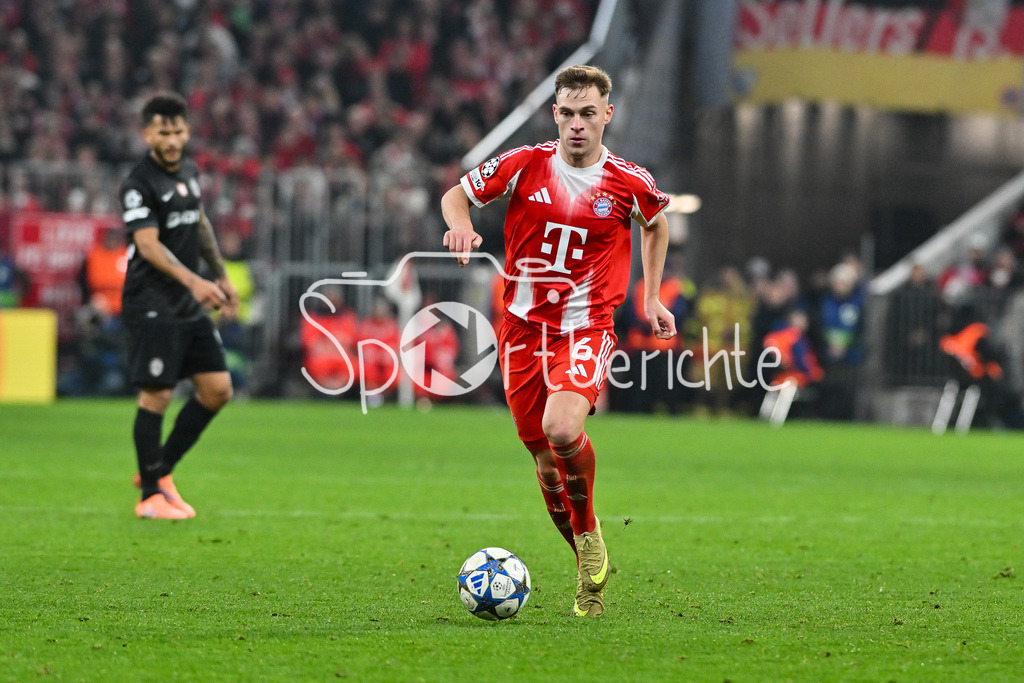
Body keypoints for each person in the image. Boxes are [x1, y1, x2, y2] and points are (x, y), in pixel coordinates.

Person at [440, 65, 676, 617]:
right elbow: (457, 194)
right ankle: (585, 570)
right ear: (555, 114)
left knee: (562, 427)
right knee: (546, 466)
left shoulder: (627, 181)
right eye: (567, 113)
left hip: (586, 327)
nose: (577, 124)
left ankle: (589, 530)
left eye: (588, 114)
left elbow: (657, 222)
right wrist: (460, 225)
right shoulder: (524, 165)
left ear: (606, 116)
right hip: (522, 332)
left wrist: (651, 297)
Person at [119, 92, 238, 520]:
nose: (171, 140)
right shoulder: (138, 183)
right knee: (157, 394)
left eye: (177, 131)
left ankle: (160, 469)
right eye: (162, 132)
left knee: (217, 389)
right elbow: (147, 245)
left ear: (187, 131)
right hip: (152, 301)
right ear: (147, 132)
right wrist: (195, 281)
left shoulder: (188, 171)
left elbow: (200, 222)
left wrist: (221, 274)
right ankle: (149, 496)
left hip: (189, 300)